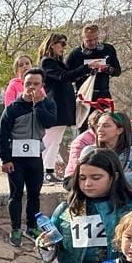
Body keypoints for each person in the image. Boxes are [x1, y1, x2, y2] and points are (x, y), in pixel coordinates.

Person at [0, 67, 58, 247]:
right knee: (16, 194)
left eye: (36, 84)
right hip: (16, 159)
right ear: (22, 84)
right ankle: (15, 228)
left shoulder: (48, 104)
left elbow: (49, 122)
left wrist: (38, 104)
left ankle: (31, 226)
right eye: (28, 83)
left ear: (42, 85)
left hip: (34, 157)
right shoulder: (13, 108)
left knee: (34, 194)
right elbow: (2, 136)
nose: (31, 87)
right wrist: (5, 159)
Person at [39, 33, 85, 184]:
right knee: (48, 141)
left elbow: (69, 76)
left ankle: (48, 170)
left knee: (55, 141)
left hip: (63, 108)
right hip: (55, 108)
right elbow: (64, 76)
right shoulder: (47, 63)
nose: (64, 48)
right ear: (52, 44)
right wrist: (86, 67)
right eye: (62, 44)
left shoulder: (58, 63)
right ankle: (39, 170)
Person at [82, 112, 132, 191]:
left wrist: (102, 176)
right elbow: (82, 178)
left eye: (106, 126)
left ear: (119, 130)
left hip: (121, 197)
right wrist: (120, 174)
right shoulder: (89, 151)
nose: (99, 130)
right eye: (98, 126)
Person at [66, 23, 122, 105]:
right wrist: (84, 70)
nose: (93, 43)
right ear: (83, 39)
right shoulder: (75, 54)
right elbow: (67, 77)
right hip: (84, 95)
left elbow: (118, 71)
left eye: (95, 39)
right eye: (89, 40)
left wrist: (108, 69)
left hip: (103, 94)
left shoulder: (108, 49)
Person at [64, 110, 106, 183]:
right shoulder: (81, 141)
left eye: (106, 125)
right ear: (93, 125)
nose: (101, 129)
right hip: (74, 176)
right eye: (98, 125)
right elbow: (77, 165)